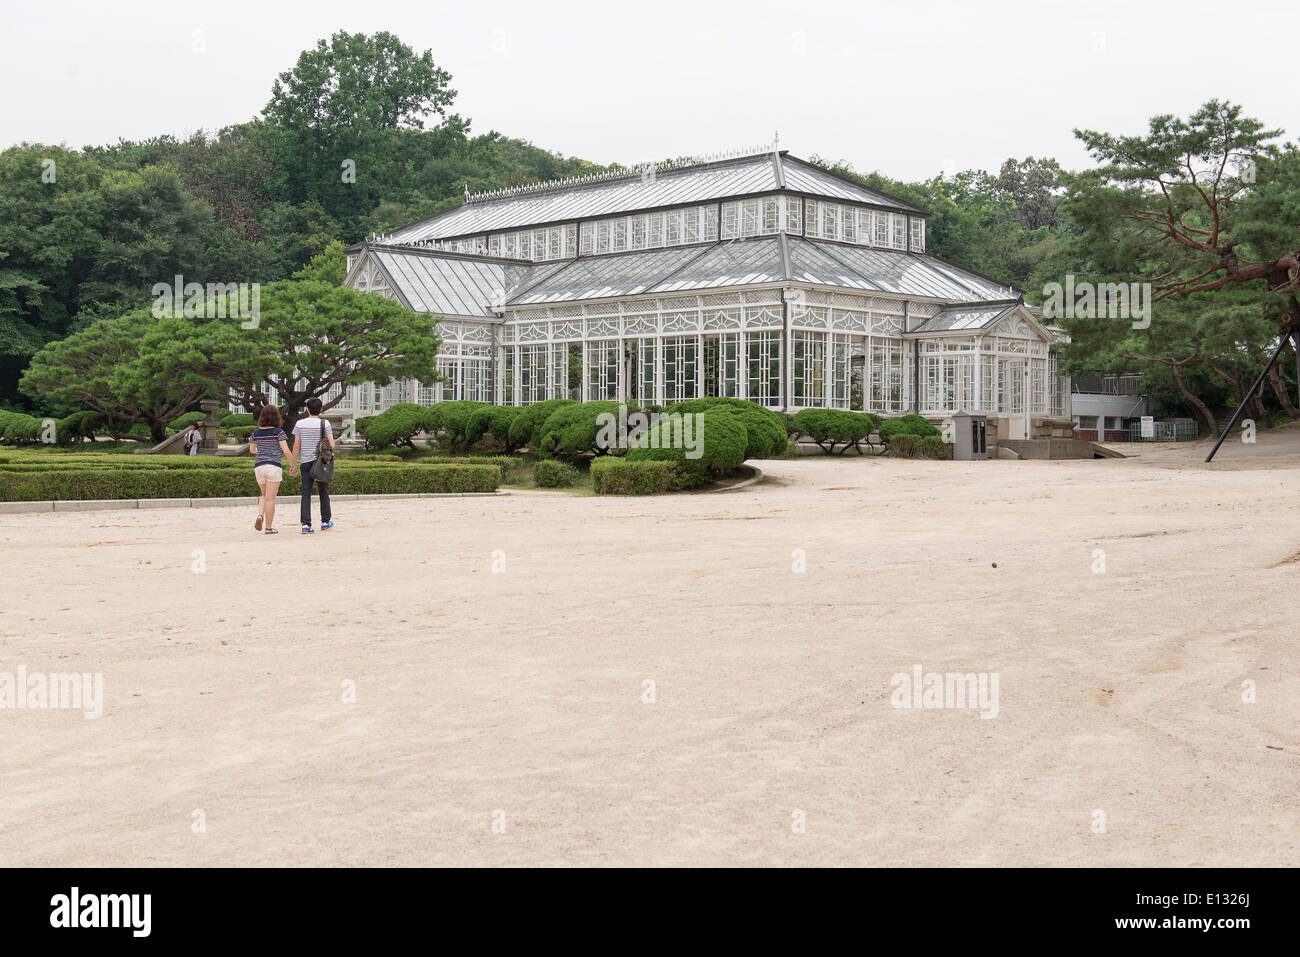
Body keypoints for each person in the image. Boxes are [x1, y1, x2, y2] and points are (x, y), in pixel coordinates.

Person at [248, 406, 296, 535]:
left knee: (263, 495)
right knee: (271, 498)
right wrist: (293, 464)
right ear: (277, 417)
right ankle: (268, 528)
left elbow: (252, 450)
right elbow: (286, 450)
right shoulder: (278, 432)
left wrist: (262, 452)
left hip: (259, 466)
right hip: (273, 466)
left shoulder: (256, 432)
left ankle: (260, 515)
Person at [292, 398, 335, 535]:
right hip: (320, 462)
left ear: (307, 410)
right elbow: (332, 445)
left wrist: (293, 463)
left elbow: (296, 445)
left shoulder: (299, 423)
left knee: (306, 493)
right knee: (323, 491)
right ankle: (325, 522)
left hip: (305, 462)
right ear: (321, 409)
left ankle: (305, 524)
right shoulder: (325, 423)